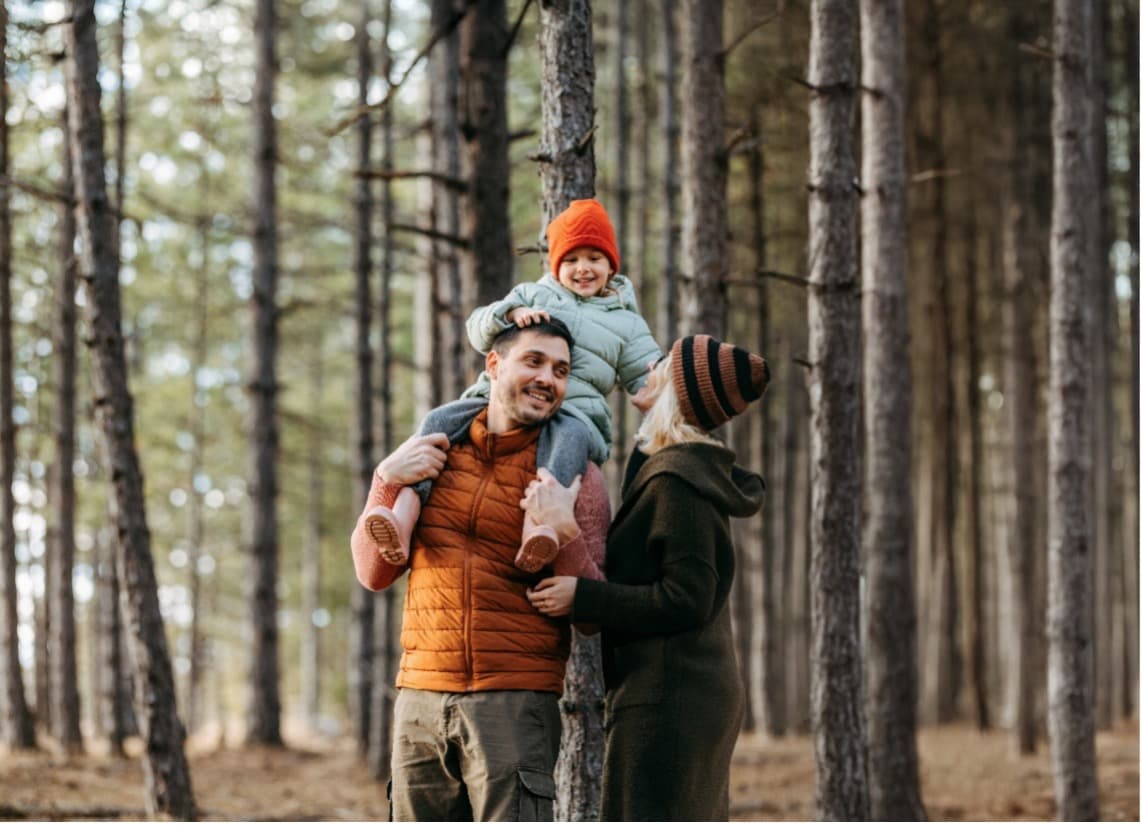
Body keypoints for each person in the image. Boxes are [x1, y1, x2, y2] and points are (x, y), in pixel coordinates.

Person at [350, 318, 609, 822]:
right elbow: (373, 574)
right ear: (494, 364)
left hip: (515, 701)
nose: (548, 379)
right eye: (533, 361)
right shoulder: (432, 453)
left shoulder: (577, 475)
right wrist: (384, 482)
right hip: (419, 699)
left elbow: (592, 612)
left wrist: (566, 531)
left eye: (560, 371)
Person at [525, 334, 769, 822]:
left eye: (663, 367)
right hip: (677, 688)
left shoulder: (679, 483)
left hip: (672, 696)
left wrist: (585, 596)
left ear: (676, 391)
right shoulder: (671, 468)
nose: (648, 369)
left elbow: (687, 599)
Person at [363, 198, 661, 573]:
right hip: (489, 400)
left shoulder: (626, 322)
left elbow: (646, 369)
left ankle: (537, 531)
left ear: (611, 265)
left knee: (563, 456)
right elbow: (478, 327)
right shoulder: (535, 294)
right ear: (556, 265)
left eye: (594, 259)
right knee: (437, 422)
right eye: (571, 260)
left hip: (576, 414)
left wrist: (659, 386)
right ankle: (402, 516)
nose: (582, 269)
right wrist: (511, 313)